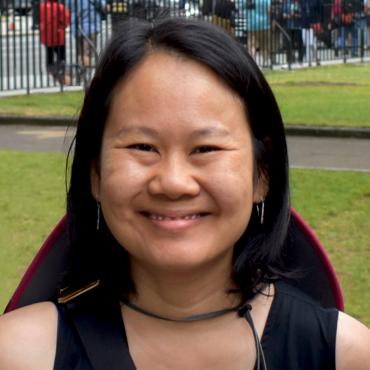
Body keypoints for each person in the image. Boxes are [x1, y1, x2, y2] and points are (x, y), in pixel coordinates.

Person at [0, 17, 370, 370]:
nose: (174, 182)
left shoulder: (345, 355)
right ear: (95, 174)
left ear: (262, 175)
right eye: (143, 147)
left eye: (205, 149)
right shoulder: (20, 354)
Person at [39, 0, 71, 84]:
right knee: (61, 57)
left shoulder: (42, 6)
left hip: (47, 36)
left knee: (49, 57)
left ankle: (53, 73)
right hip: (58, 36)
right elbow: (66, 20)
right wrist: (62, 26)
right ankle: (61, 76)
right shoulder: (60, 7)